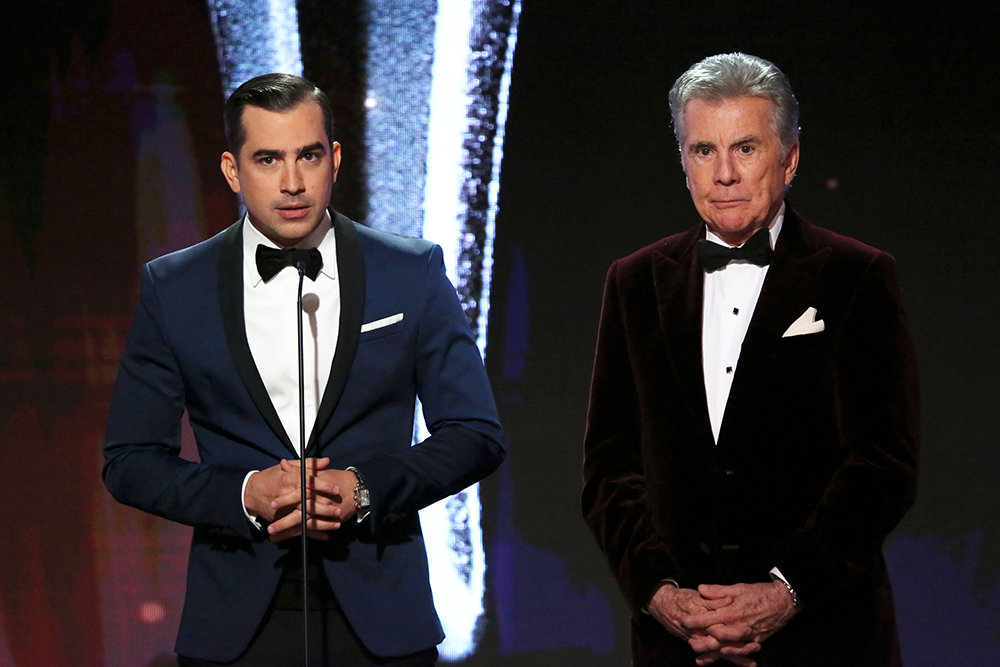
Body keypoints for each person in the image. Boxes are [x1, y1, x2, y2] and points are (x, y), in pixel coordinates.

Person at [103, 73, 504, 666]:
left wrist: (365, 488)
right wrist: (243, 493)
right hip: (237, 625)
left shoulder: (410, 272)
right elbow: (131, 461)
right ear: (232, 170)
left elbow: (475, 435)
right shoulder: (175, 287)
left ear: (334, 159)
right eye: (267, 159)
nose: (292, 182)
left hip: (382, 622)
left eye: (307, 156)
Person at [581, 53, 918, 666]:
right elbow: (609, 468)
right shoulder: (633, 282)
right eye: (703, 151)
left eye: (746, 148)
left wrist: (786, 591)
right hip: (678, 646)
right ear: (682, 163)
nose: (725, 174)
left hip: (824, 638)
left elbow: (882, 463)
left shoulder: (857, 275)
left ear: (789, 158)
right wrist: (661, 596)